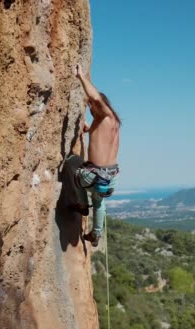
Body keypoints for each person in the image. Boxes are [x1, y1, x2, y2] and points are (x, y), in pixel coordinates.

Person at [72, 64, 121, 247]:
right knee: (99, 202)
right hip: (110, 178)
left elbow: (95, 97)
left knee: (71, 164)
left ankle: (82, 204)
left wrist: (81, 76)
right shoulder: (110, 123)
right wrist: (87, 127)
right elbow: (94, 131)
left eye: (91, 106)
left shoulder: (106, 114)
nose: (91, 109)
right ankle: (96, 233)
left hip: (94, 176)